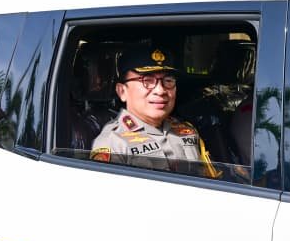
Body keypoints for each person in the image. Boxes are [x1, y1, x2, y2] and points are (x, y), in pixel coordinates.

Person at [90, 45, 217, 177]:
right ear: (122, 91)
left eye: (168, 80)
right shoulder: (114, 143)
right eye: (147, 81)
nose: (160, 91)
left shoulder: (186, 130)